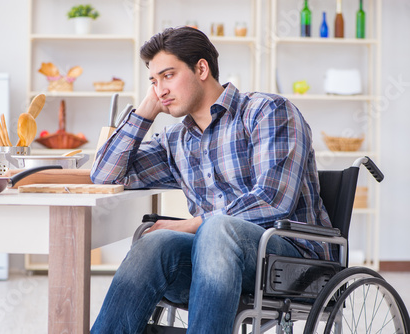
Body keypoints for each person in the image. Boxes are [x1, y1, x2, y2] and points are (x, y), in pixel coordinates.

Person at [90, 26, 335, 334]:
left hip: (293, 262)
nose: (160, 90)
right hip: (214, 267)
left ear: (201, 68)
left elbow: (273, 200)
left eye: (168, 76)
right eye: (153, 81)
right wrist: (144, 112)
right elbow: (104, 175)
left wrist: (195, 223)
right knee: (155, 242)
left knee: (218, 228)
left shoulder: (267, 111)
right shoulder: (175, 140)